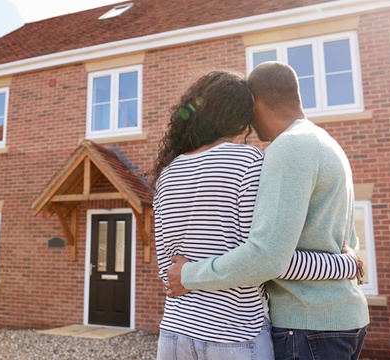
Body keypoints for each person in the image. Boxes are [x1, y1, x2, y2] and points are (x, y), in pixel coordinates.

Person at [152, 70, 362, 360]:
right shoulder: (249, 162)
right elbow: (266, 260)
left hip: (174, 333)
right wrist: (343, 265)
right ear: (244, 110)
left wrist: (187, 273)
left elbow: (169, 271)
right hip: (233, 335)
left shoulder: (168, 173)